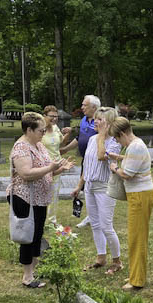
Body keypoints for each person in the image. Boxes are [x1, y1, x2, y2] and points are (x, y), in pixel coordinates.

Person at [7, 112, 74, 288]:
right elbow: (26, 174)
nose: (43, 134)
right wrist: (50, 167)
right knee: (28, 237)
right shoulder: (21, 148)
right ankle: (27, 277)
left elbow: (48, 170)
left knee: (37, 235)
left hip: (40, 198)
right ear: (29, 129)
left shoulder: (38, 145)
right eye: (40, 131)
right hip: (24, 197)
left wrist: (61, 168)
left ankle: (34, 271)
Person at [72, 107, 123, 274]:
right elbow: (87, 165)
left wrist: (102, 135)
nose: (96, 122)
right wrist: (79, 186)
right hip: (90, 187)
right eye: (96, 119)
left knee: (106, 225)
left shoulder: (114, 142)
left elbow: (102, 157)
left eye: (100, 120)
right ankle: (100, 257)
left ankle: (117, 261)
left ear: (109, 123)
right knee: (95, 224)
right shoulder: (93, 139)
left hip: (105, 187)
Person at [108, 117, 153, 291]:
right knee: (135, 236)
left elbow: (127, 173)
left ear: (122, 133)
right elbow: (133, 160)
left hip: (140, 196)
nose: (118, 143)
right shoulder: (135, 146)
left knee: (137, 238)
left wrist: (114, 168)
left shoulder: (135, 146)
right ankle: (136, 273)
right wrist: (120, 156)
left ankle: (137, 280)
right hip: (139, 195)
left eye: (117, 139)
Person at [61, 95, 101, 227]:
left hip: (98, 161)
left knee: (96, 188)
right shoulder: (84, 119)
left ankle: (98, 217)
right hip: (86, 159)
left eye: (85, 105)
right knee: (86, 187)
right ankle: (91, 216)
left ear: (94, 107)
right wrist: (66, 149)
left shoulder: (100, 121)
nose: (82, 107)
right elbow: (80, 138)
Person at [41, 105, 73, 223]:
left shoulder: (55, 128)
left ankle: (52, 220)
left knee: (54, 193)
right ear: (44, 116)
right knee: (43, 193)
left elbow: (61, 142)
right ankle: (41, 219)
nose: (54, 119)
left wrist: (68, 133)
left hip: (58, 164)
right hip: (44, 166)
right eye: (51, 116)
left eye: (56, 117)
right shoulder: (40, 130)